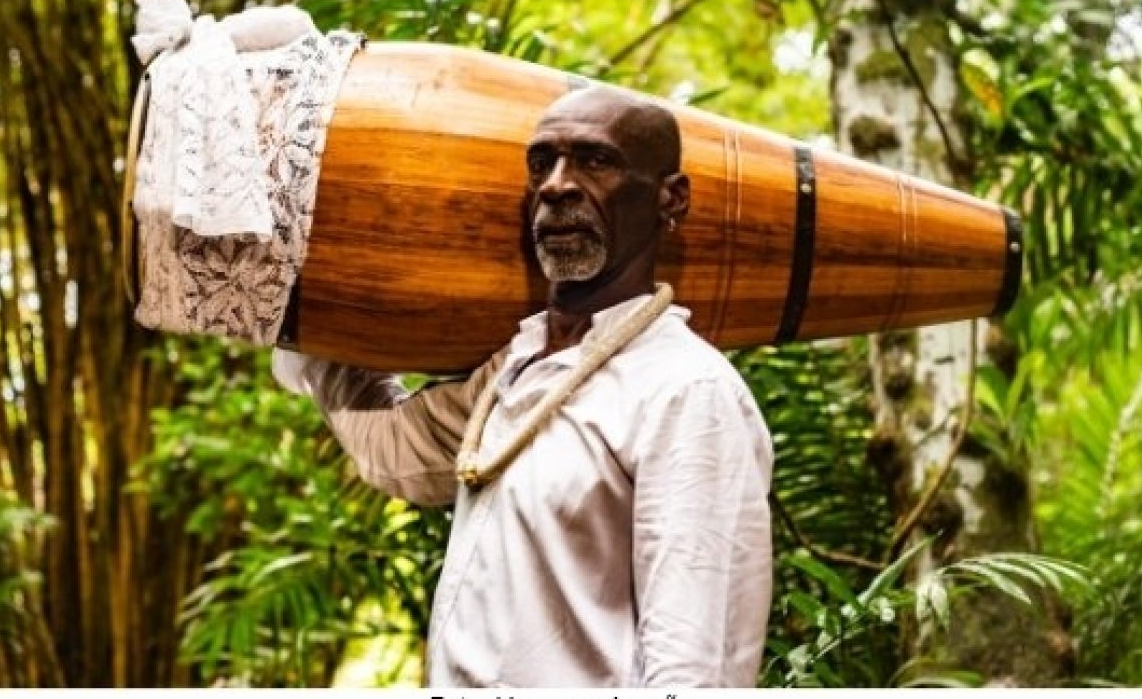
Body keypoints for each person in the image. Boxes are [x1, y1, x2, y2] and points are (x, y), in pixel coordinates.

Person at [273, 86, 774, 687]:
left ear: (671, 198)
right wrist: (294, 296)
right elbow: (393, 451)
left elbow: (692, 670)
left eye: (596, 161)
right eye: (541, 164)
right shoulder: (516, 366)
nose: (556, 185)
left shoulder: (687, 390)